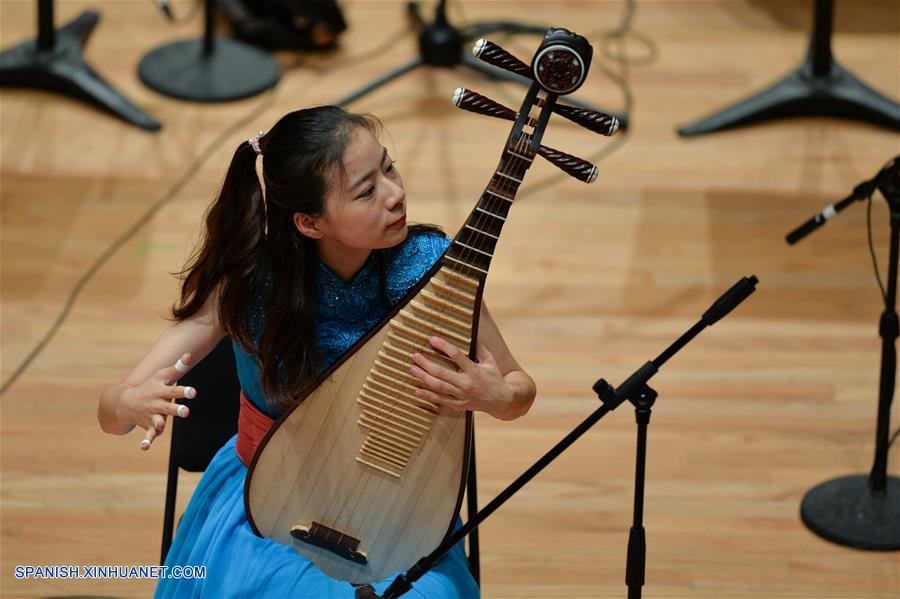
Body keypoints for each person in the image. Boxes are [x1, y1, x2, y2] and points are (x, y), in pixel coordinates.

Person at [97, 106, 536, 598]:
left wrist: (495, 394)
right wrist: (127, 405)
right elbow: (112, 409)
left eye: (389, 167)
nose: (395, 195)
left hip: (398, 503)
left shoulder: (432, 268)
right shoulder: (248, 285)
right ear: (309, 222)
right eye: (367, 191)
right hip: (269, 502)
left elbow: (519, 388)